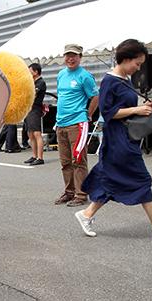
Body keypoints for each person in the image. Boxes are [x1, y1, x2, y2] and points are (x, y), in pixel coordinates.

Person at [75, 39, 152, 238]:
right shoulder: (110, 80)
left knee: (110, 178)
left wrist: (144, 106)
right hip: (117, 139)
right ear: (125, 59)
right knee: (141, 178)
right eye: (137, 63)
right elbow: (108, 112)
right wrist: (136, 109)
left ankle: (86, 214)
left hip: (123, 137)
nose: (139, 68)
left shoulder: (125, 78)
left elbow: (124, 106)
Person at [54, 44, 99, 207]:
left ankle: (81, 194)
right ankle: (69, 191)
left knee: (78, 159)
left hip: (77, 123)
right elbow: (62, 96)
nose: (70, 59)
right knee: (65, 161)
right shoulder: (61, 74)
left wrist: (88, 114)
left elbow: (95, 96)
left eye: (74, 56)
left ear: (80, 57)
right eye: (67, 55)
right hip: (61, 123)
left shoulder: (85, 76)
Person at [24, 63, 47, 166]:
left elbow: (33, 94)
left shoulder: (40, 82)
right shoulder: (32, 82)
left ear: (36, 72)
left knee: (37, 133)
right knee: (30, 133)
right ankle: (34, 155)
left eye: (30, 70)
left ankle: (40, 157)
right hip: (29, 109)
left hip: (35, 109)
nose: (29, 73)